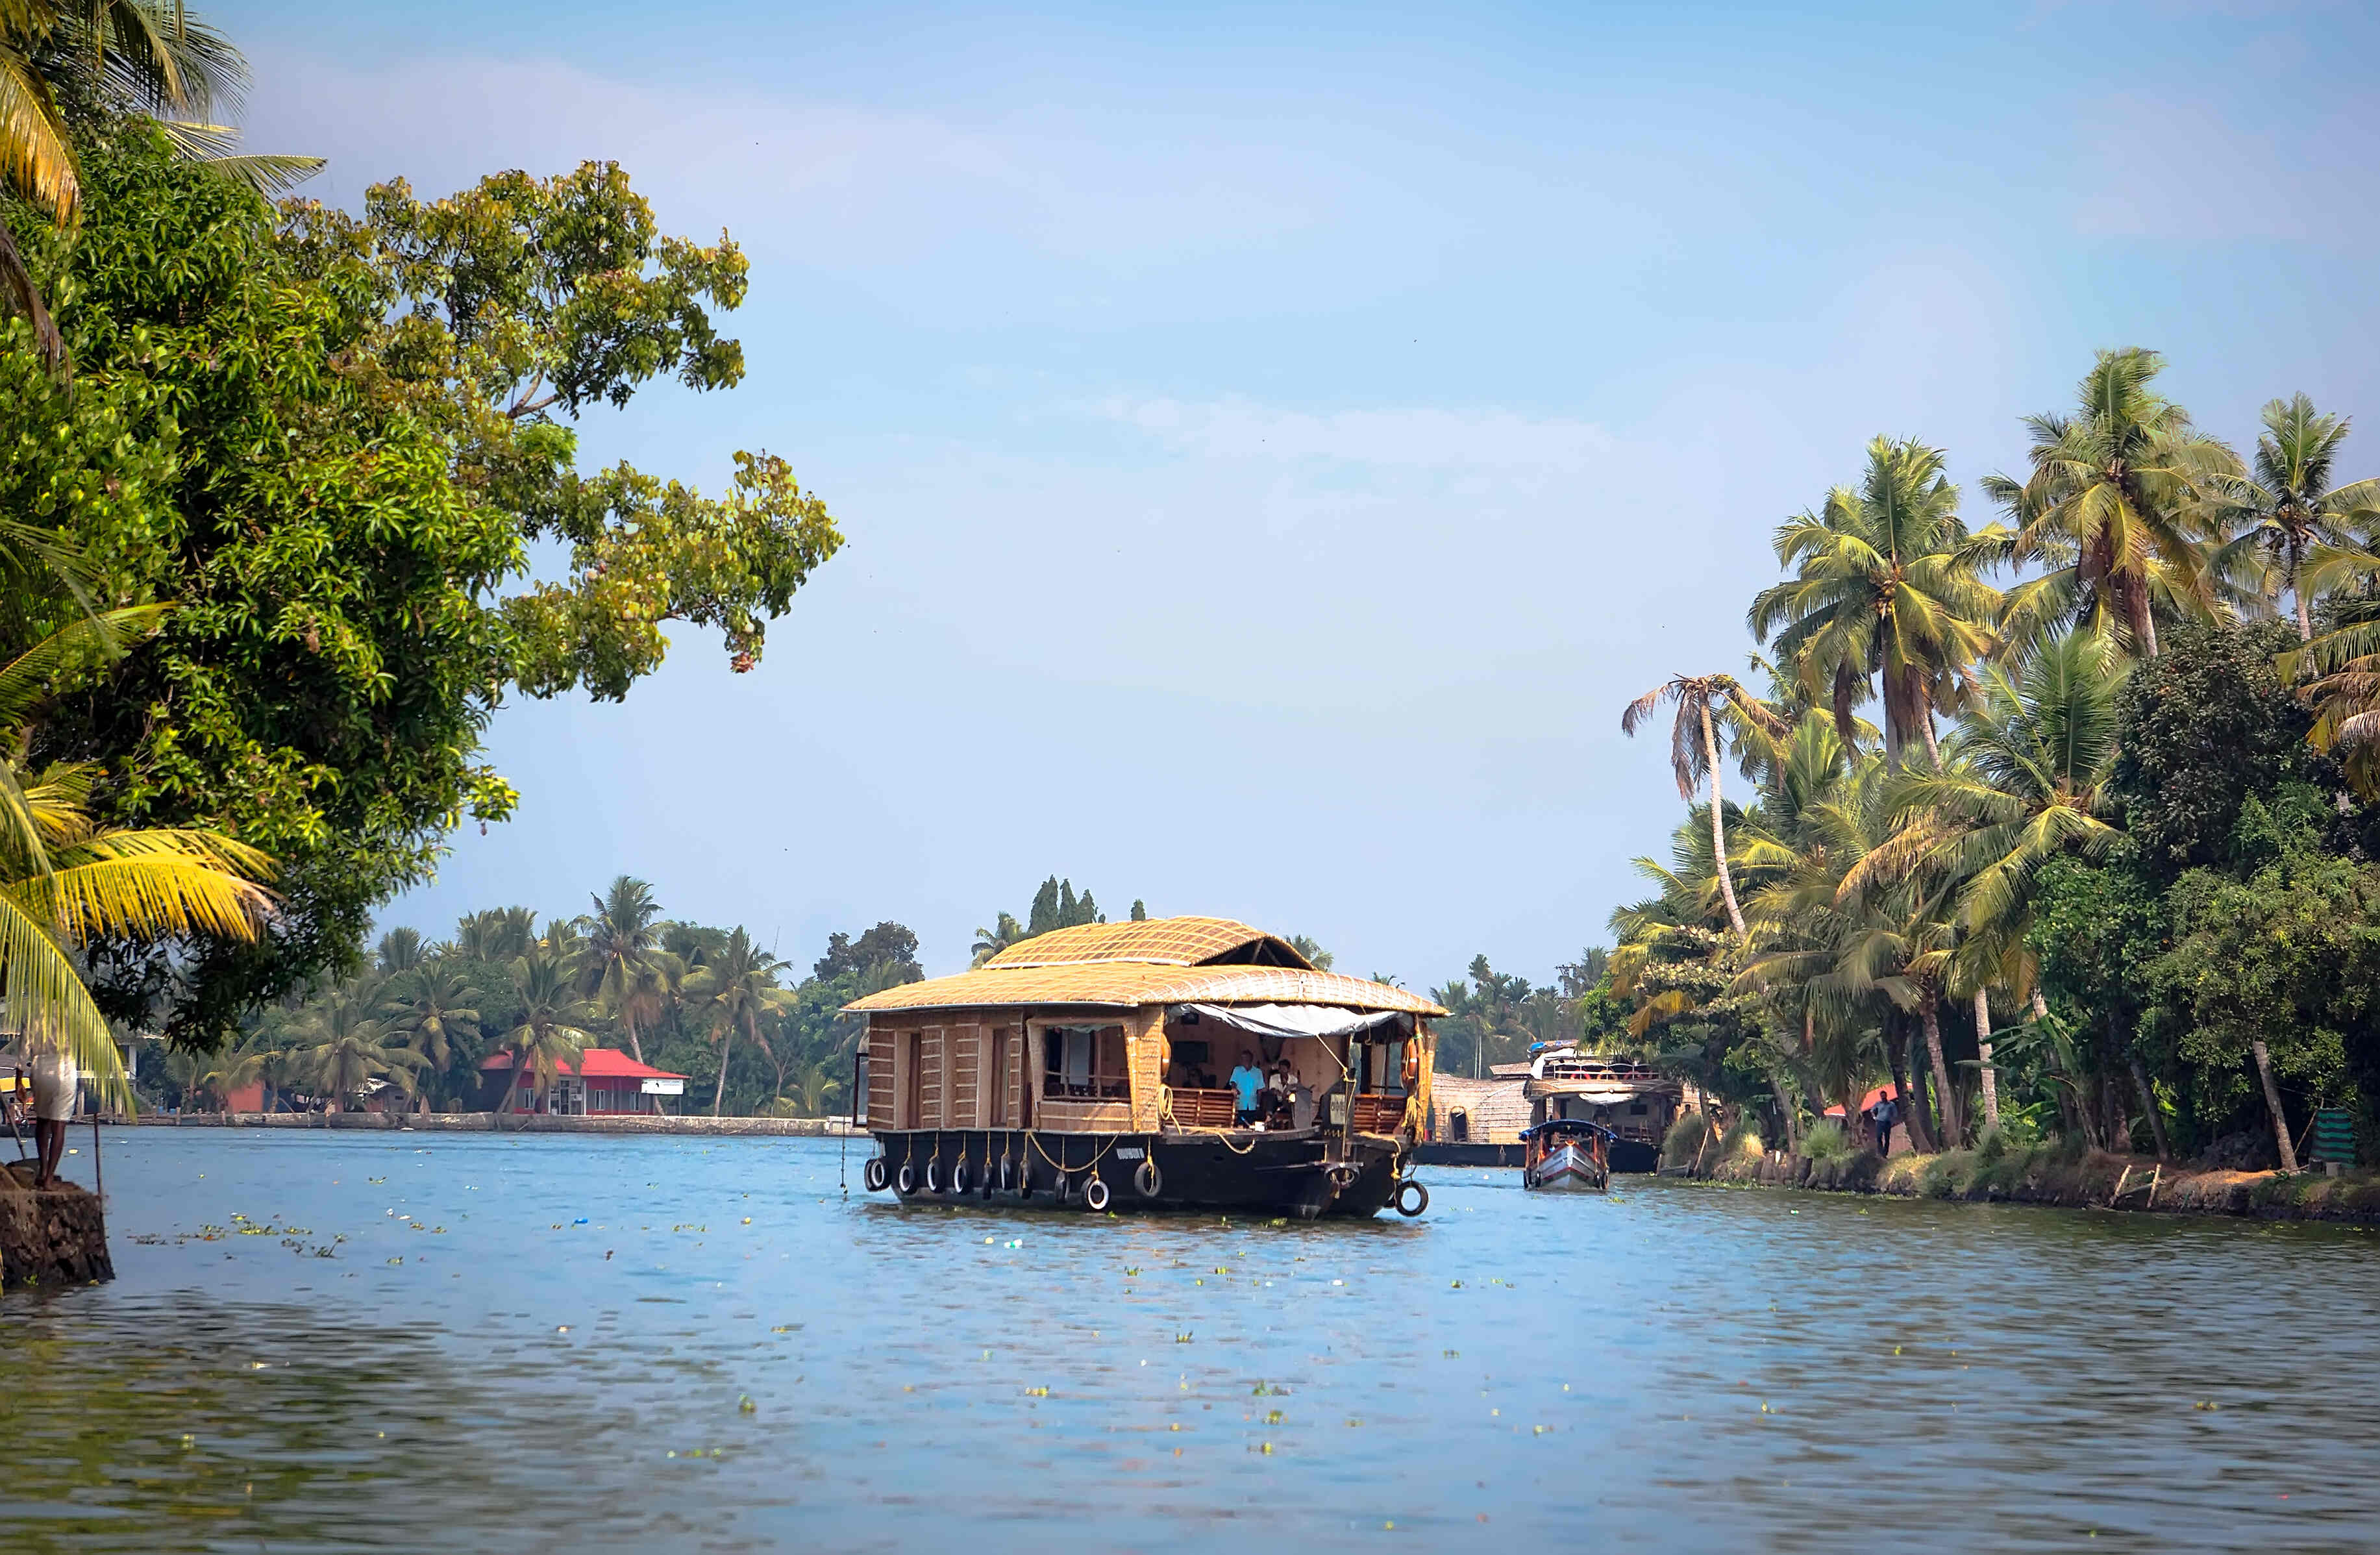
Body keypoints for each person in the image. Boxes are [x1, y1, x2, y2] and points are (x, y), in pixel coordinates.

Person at [30, 1049, 78, 1188]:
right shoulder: (73, 1027)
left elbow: (23, 1051)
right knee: (59, 1127)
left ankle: (44, 1171)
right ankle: (49, 1178)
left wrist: (19, 1078)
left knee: (42, 1121)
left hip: (41, 1072)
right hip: (65, 1074)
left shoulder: (35, 1026)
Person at [1228, 1049, 1263, 1127]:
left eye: (1247, 1059)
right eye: (1243, 1059)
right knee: (1240, 1125)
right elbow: (1233, 1082)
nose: (1245, 1061)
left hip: (1252, 1104)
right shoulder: (1237, 1070)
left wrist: (1258, 1104)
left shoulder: (1258, 1072)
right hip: (1240, 1103)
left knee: (1251, 1126)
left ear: (1251, 1060)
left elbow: (1260, 1090)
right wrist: (1234, 1088)